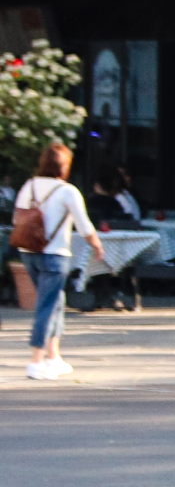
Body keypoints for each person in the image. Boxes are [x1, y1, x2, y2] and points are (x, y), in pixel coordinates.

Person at [15, 142, 107, 380]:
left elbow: (19, 215)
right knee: (47, 304)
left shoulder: (29, 186)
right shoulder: (67, 191)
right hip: (55, 254)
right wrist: (97, 244)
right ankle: (36, 360)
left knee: (55, 301)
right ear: (64, 166)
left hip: (28, 252)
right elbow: (84, 224)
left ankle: (54, 356)